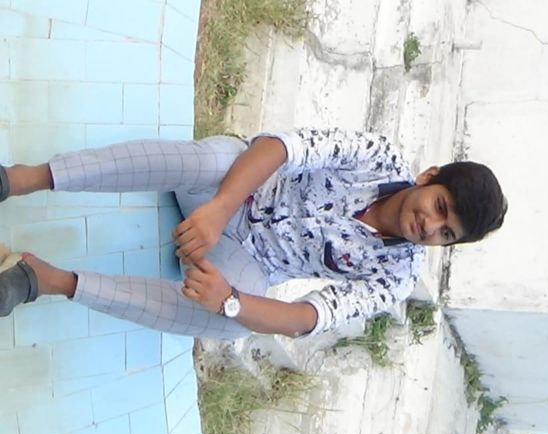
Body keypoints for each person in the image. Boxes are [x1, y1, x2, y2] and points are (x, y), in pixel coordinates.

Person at [0, 128, 506, 339]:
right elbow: (281, 147)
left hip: (237, 261)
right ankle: (21, 179)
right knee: (212, 158)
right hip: (228, 189)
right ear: (428, 176)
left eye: (445, 234)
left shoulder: (395, 277)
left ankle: (42, 278)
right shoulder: (379, 155)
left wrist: (230, 301)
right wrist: (219, 209)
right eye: (439, 207)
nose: (429, 226)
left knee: (232, 326)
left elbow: (308, 319)